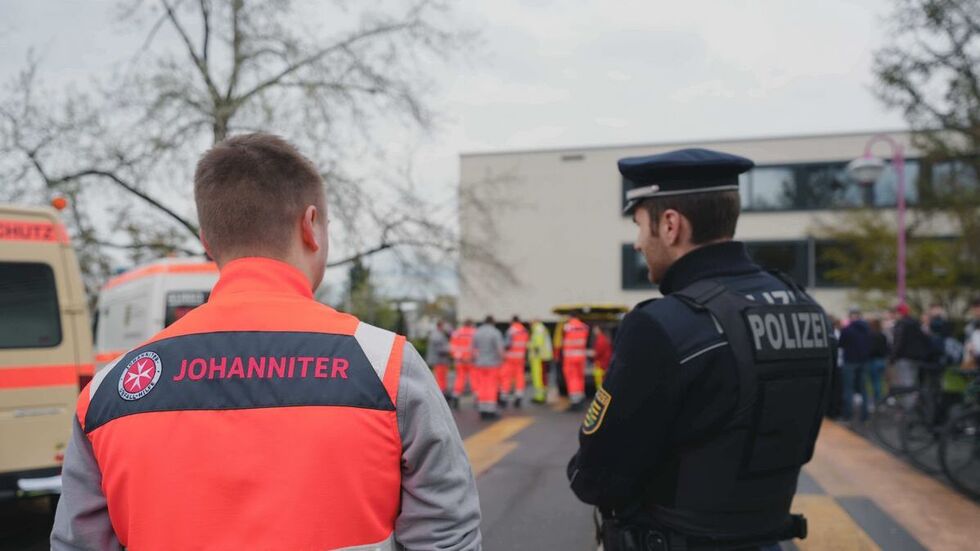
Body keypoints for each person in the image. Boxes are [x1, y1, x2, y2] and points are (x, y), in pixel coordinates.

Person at [51, 134, 481, 550]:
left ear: (208, 243)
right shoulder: (386, 368)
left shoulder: (109, 393)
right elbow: (446, 533)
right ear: (310, 226)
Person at [568, 148, 832, 550]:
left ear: (671, 225)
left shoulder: (662, 325)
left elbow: (596, 476)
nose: (638, 244)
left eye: (640, 225)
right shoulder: (807, 309)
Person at [838, 308, 872, 422]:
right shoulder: (867, 329)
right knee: (863, 389)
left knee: (848, 388)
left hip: (850, 361)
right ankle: (865, 414)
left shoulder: (847, 330)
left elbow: (841, 344)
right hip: (863, 361)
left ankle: (848, 414)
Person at [472, 315, 505, 420]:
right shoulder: (495, 332)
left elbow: (473, 349)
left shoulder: (477, 332)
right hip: (492, 364)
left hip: (480, 364)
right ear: (493, 322)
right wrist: (502, 359)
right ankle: (490, 410)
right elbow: (500, 349)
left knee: (482, 386)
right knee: (491, 386)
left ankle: (482, 410)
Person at [892, 303, 932, 388]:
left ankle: (908, 401)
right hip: (916, 357)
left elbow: (898, 342)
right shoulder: (916, 323)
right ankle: (913, 399)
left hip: (903, 357)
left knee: (905, 382)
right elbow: (924, 339)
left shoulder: (901, 324)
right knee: (913, 382)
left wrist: (893, 357)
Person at [562, 315, 591, 410]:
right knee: (579, 377)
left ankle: (575, 401)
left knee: (572, 378)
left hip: (570, 357)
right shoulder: (584, 327)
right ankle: (580, 397)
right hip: (581, 357)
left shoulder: (568, 327)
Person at [501, 316, 529, 407]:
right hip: (520, 358)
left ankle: (504, 397)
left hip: (510, 358)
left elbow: (507, 344)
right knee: (519, 377)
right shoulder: (524, 331)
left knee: (506, 377)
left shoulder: (511, 331)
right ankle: (519, 396)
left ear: (512, 321)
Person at [449, 319, 477, 409]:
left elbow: (453, 347)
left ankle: (456, 396)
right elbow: (477, 348)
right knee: (474, 378)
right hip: (471, 360)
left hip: (460, 361)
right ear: (471, 324)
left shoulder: (457, 333)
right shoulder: (474, 333)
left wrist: (459, 356)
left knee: (460, 378)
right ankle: (476, 398)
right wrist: (472, 357)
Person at [527, 319, 554, 404]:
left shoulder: (538, 329)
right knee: (542, 377)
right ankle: (542, 395)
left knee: (538, 377)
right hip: (541, 356)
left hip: (538, 357)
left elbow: (537, 344)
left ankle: (540, 396)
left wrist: (528, 345)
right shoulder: (540, 328)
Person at [427, 319, 452, 397]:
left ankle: (442, 392)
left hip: (441, 361)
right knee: (440, 378)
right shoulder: (437, 335)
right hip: (439, 360)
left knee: (442, 378)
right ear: (441, 326)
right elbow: (440, 349)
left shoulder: (438, 334)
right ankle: (441, 394)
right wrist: (450, 349)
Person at [868, 317, 889, 403]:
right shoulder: (882, 335)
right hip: (882, 359)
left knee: (875, 381)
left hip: (874, 360)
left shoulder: (871, 335)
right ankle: (884, 397)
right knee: (882, 381)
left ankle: (878, 399)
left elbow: (871, 349)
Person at [592, 325, 612, 390]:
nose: (593, 331)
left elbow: (597, 352)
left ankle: (600, 395)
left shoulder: (600, 339)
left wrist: (590, 353)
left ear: (599, 330)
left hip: (601, 365)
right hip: (603, 364)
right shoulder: (603, 338)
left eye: (595, 329)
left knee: (600, 383)